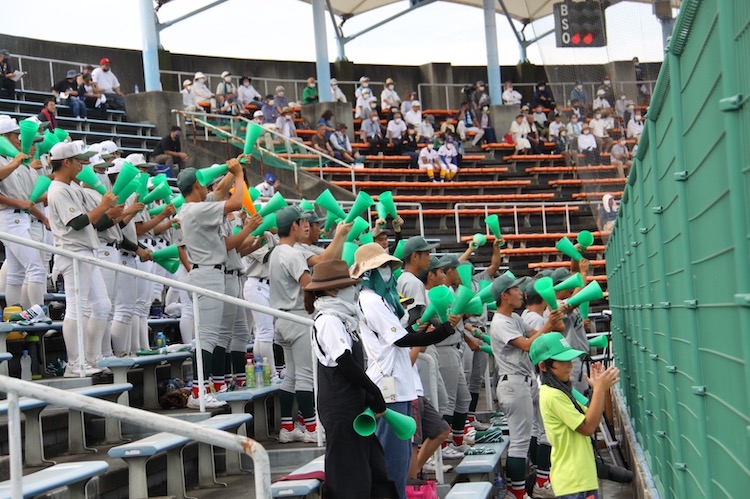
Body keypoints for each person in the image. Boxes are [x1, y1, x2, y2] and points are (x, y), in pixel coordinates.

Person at [352, 242, 456, 499]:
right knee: (391, 462)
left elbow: (401, 334)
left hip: (399, 385)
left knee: (399, 462)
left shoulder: (381, 299)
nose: (387, 271)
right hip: (390, 387)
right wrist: (440, 333)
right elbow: (399, 340)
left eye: (388, 265)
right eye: (382, 267)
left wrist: (428, 327)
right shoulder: (370, 299)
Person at [304, 260, 397, 498]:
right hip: (340, 406)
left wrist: (367, 395)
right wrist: (374, 391)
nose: (354, 290)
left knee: (374, 469)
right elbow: (345, 362)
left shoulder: (345, 318)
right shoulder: (328, 320)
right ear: (334, 290)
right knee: (350, 476)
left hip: (353, 404)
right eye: (349, 285)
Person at [489, 274, 564, 499]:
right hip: (512, 383)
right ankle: (517, 494)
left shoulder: (514, 317)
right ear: (504, 295)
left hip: (526, 381)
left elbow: (536, 336)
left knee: (544, 431)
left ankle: (542, 481)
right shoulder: (500, 322)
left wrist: (555, 318)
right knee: (520, 442)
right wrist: (548, 324)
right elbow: (527, 345)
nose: (520, 292)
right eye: (514, 289)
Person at [47, 142, 118, 376]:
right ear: (66, 162)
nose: (83, 164)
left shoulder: (73, 187)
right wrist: (105, 206)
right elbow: (77, 222)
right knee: (77, 309)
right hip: (73, 253)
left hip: (87, 251)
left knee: (103, 306)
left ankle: (92, 358)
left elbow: (96, 219)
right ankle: (74, 364)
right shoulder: (57, 188)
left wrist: (113, 211)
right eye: (79, 160)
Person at [531, 333, 620, 499]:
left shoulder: (561, 392)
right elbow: (587, 427)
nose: (569, 366)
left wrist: (597, 389)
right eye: (562, 361)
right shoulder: (552, 395)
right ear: (544, 366)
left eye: (569, 360)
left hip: (580, 480)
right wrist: (600, 389)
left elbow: (592, 417)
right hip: (573, 482)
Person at [269, 206, 319, 442]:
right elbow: (308, 285)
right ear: (293, 226)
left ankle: (287, 428)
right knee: (305, 375)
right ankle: (311, 429)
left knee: (290, 375)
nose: (305, 225)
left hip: (280, 317)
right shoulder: (292, 253)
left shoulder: (277, 252)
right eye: (302, 221)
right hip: (297, 316)